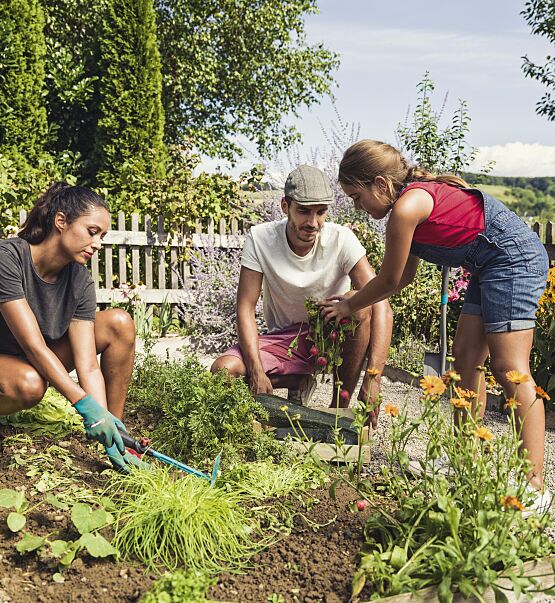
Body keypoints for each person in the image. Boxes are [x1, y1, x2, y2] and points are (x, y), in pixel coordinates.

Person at [321, 139, 551, 508]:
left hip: (513, 262)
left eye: (357, 196)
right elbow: (404, 277)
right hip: (488, 266)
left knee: (511, 370)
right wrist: (356, 300)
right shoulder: (406, 205)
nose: (357, 206)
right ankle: (464, 462)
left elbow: (389, 281)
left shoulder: (408, 206)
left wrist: (350, 305)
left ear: (380, 184)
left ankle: (534, 487)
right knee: (463, 361)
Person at [0, 182, 142, 472]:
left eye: (102, 236)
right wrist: (84, 405)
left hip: (20, 361)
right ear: (61, 221)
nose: (98, 244)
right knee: (30, 383)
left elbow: (88, 364)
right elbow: (34, 347)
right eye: (92, 232)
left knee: (118, 323)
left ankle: (118, 437)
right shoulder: (6, 259)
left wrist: (102, 418)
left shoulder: (79, 280)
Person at [211, 165, 393, 426]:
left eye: (321, 212)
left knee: (361, 303)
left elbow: (381, 303)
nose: (313, 222)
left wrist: (373, 378)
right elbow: (245, 308)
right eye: (304, 211)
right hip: (287, 340)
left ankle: (336, 412)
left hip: (333, 338)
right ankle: (297, 380)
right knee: (223, 371)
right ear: (285, 206)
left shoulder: (342, 239)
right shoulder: (261, 238)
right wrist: (256, 371)